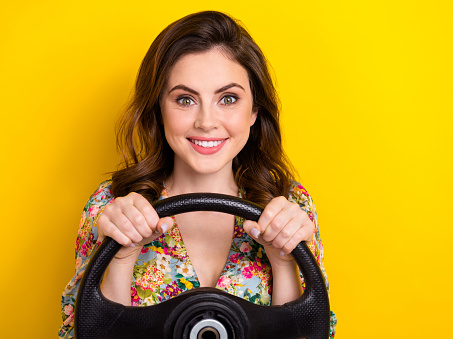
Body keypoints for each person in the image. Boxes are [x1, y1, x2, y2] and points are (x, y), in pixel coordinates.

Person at [59, 10, 336, 338]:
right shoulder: (112, 206)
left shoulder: (290, 206)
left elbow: (312, 331)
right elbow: (81, 332)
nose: (206, 121)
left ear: (254, 112)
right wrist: (121, 259)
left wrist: (282, 261)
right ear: (159, 110)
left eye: (228, 99)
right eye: (185, 99)